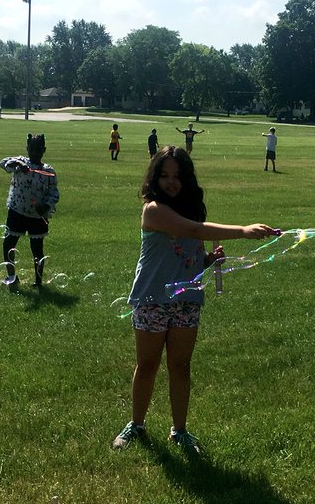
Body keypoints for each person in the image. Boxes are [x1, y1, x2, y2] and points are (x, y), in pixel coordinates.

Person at [113, 145, 278, 454]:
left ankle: (179, 430)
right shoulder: (153, 209)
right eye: (164, 176)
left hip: (187, 300)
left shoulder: (191, 209)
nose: (171, 182)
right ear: (154, 178)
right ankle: (136, 424)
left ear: (187, 178)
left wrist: (206, 260)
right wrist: (243, 230)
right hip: (152, 299)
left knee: (181, 366)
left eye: (178, 176)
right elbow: (191, 230)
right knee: (147, 365)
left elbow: (186, 256)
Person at [0, 134, 59, 288]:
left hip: (37, 216)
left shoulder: (48, 171)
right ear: (27, 149)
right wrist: (18, 163)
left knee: (37, 249)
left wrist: (46, 206)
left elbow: (54, 193)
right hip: (17, 211)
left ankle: (38, 282)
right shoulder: (20, 163)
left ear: (44, 150)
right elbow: (3, 163)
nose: (34, 152)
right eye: (31, 149)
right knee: (9, 244)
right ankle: (11, 277)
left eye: (38, 149)